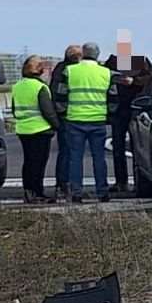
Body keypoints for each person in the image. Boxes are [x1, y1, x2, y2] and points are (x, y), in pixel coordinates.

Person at [55, 42, 117, 204]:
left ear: (83, 54)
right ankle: (102, 192)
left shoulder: (69, 71)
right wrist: (109, 116)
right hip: (98, 120)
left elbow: (61, 96)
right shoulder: (106, 73)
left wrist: (63, 114)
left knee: (75, 158)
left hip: (74, 120)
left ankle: (76, 193)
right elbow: (113, 98)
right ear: (97, 55)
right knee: (99, 158)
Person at [11, 56, 58, 203]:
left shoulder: (17, 86)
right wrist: (58, 126)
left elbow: (13, 109)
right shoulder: (40, 87)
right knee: (39, 163)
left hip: (23, 129)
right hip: (40, 129)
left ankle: (28, 192)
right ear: (39, 69)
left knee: (29, 162)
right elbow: (48, 111)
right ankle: (37, 192)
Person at [103, 53, 151, 193]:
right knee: (118, 147)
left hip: (136, 109)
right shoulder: (112, 62)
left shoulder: (140, 62)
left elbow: (150, 79)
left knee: (138, 148)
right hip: (119, 110)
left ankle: (140, 183)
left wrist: (134, 81)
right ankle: (121, 182)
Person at [48, 44, 83, 200]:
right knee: (69, 153)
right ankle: (66, 186)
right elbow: (59, 96)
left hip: (68, 117)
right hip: (73, 118)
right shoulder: (67, 70)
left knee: (67, 153)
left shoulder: (60, 69)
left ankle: (64, 186)